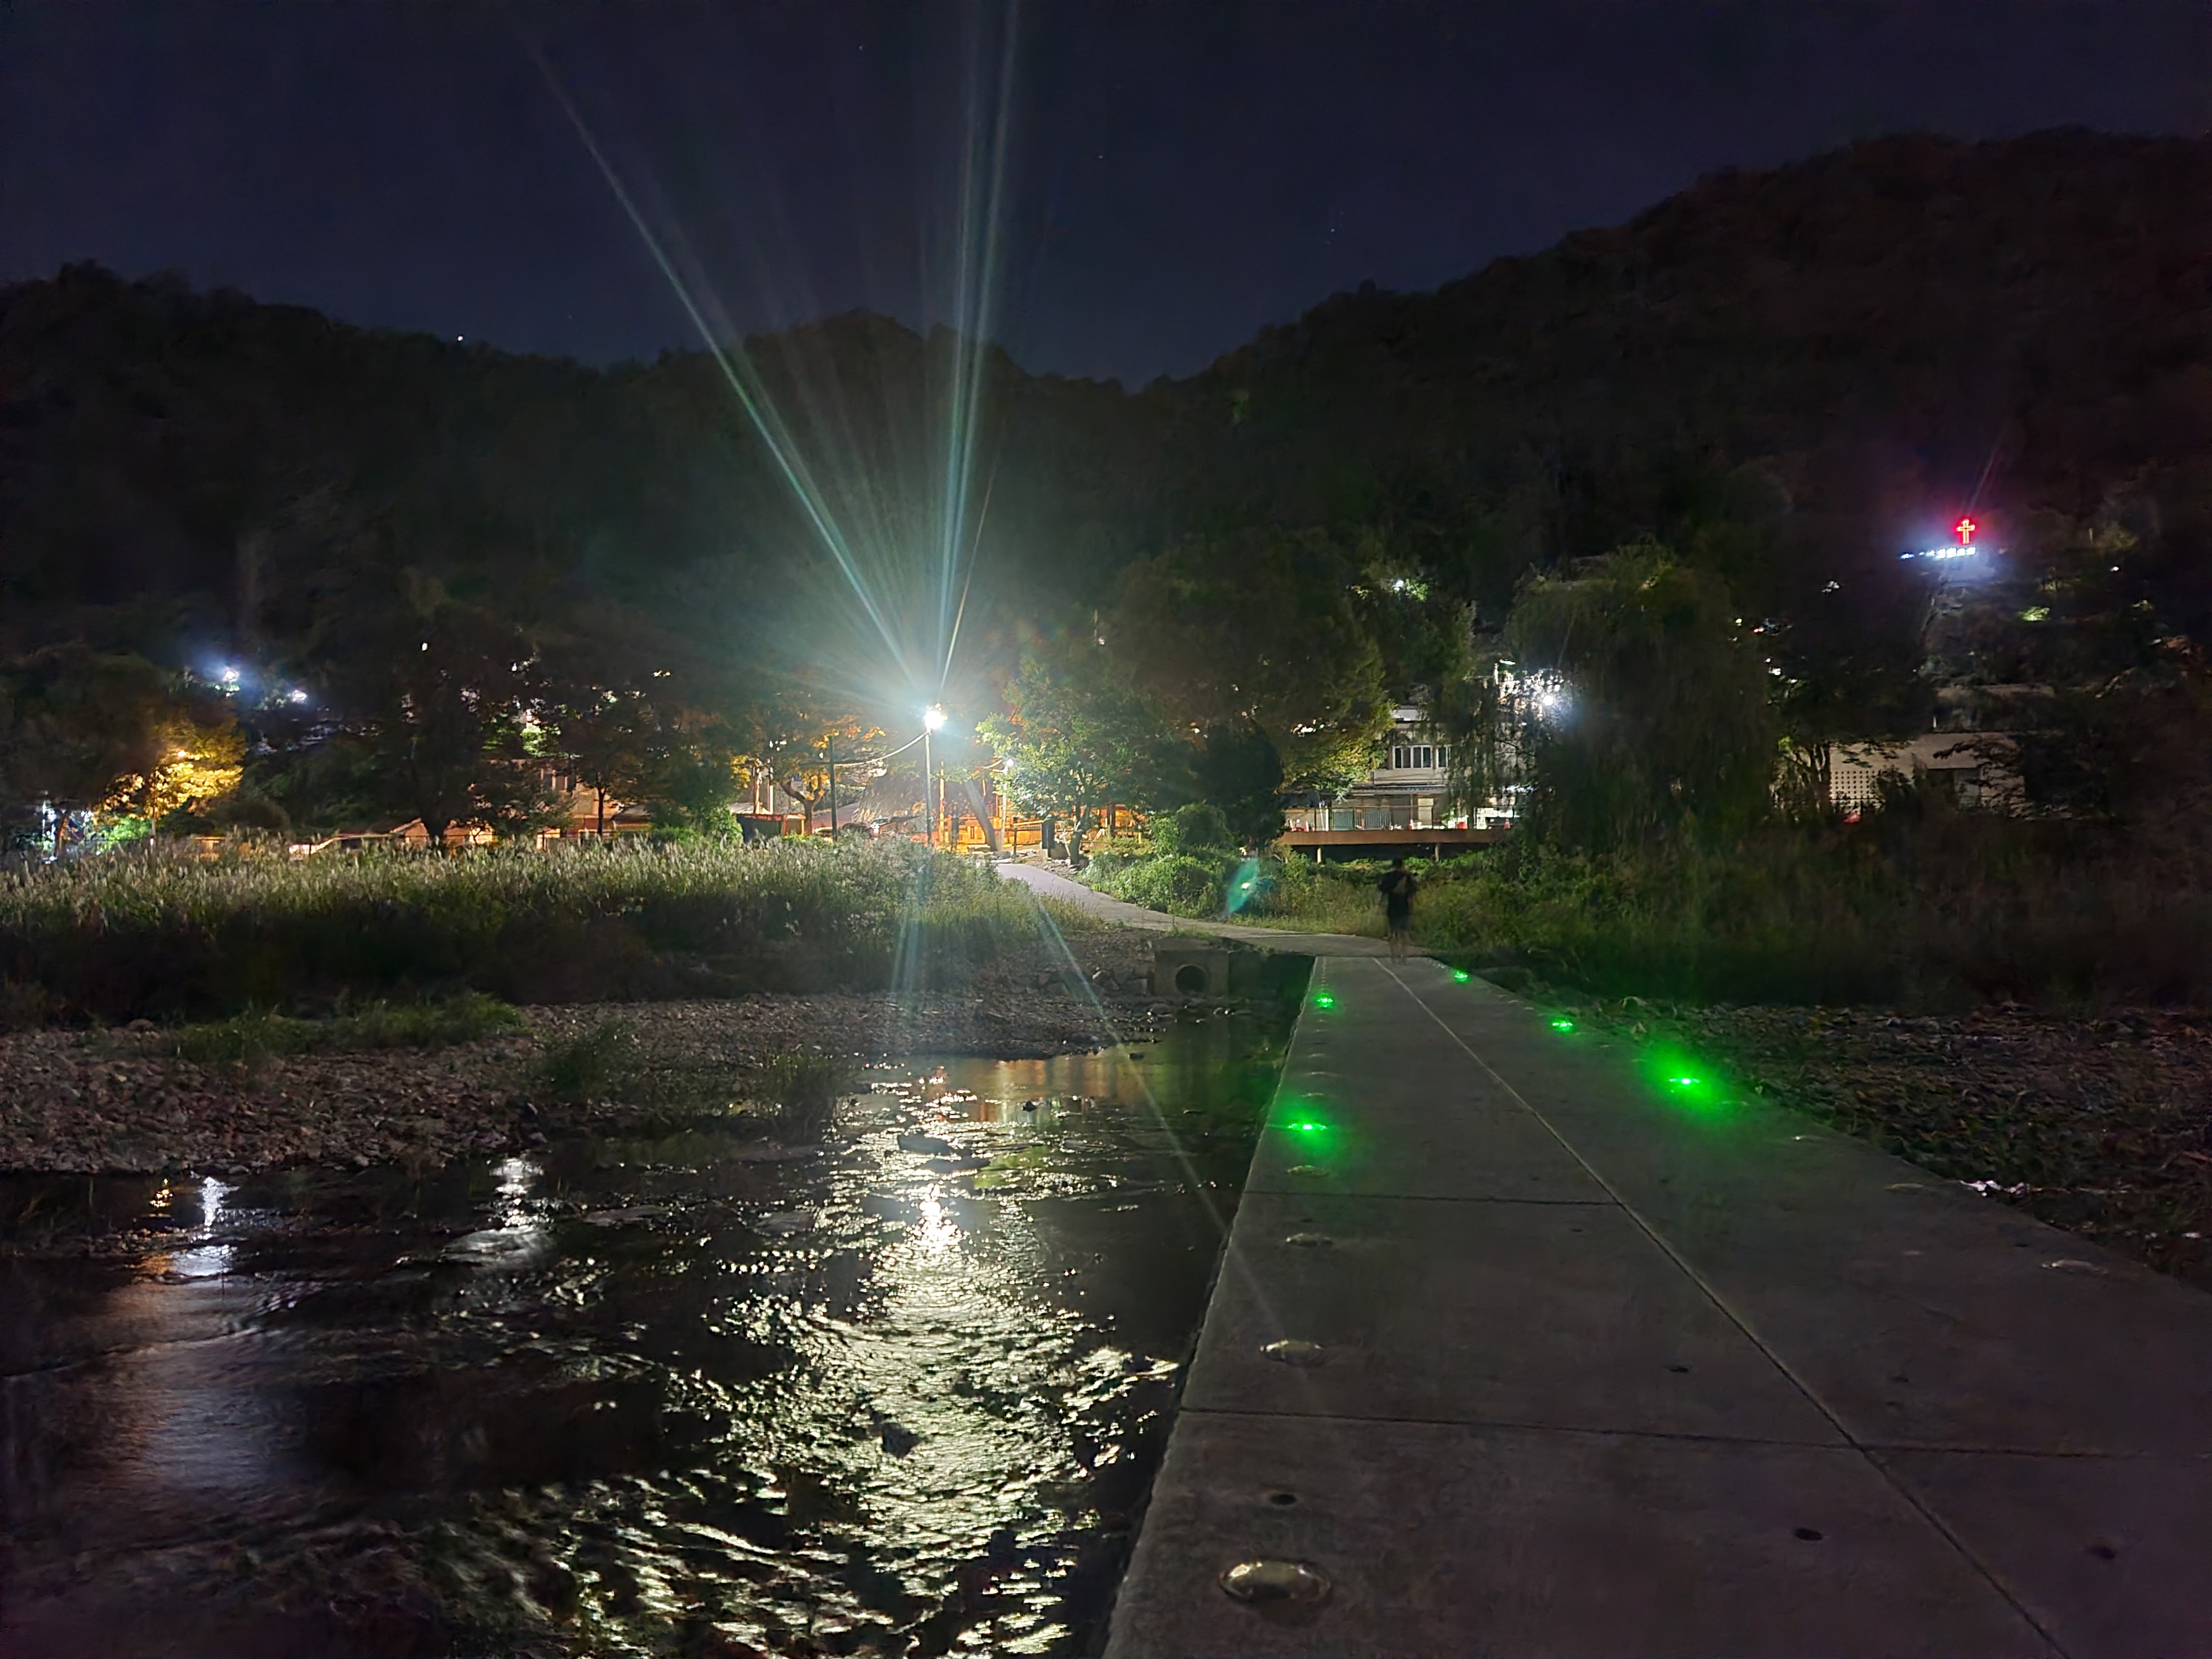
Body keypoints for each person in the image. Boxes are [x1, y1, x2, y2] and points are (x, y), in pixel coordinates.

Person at [1377, 856, 1417, 958]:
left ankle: (1394, 954)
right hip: (1404, 906)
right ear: (1402, 865)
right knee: (1403, 932)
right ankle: (1404, 954)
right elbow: (1412, 893)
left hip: (1392, 906)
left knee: (1393, 932)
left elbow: (1383, 891)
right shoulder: (1407, 877)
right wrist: (1412, 907)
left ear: (1393, 865)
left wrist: (1381, 904)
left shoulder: (1388, 877)